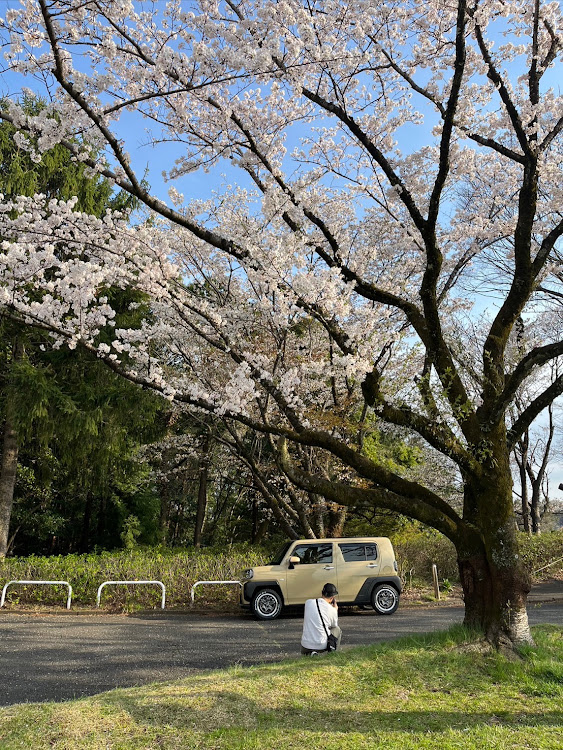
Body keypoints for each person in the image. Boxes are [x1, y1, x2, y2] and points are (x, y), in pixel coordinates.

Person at [300, 582, 342, 655]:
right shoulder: (331, 610)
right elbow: (334, 625)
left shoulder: (308, 603)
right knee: (337, 630)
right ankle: (333, 654)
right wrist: (335, 609)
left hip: (305, 645)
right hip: (321, 645)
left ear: (322, 593)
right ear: (332, 598)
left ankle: (311, 653)